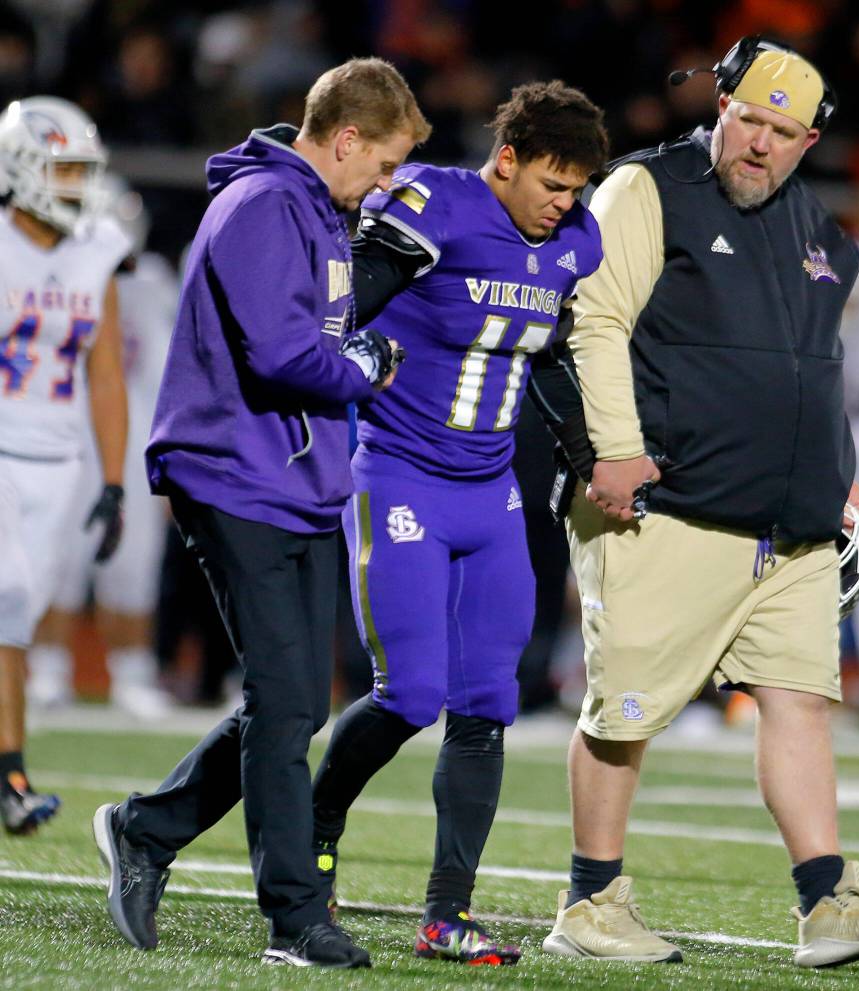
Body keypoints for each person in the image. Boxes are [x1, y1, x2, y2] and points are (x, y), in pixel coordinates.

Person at [539, 38, 859, 968]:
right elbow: (594, 321)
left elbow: (811, 374)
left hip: (789, 527)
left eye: (785, 131)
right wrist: (616, 449)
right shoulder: (645, 188)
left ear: (809, 141)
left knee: (798, 702)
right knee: (624, 711)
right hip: (667, 506)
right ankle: (590, 902)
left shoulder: (817, 231)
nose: (761, 144)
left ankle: (830, 902)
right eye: (749, 119)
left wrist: (830, 482)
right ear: (719, 104)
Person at [91, 57, 428, 969]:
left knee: (293, 707)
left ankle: (145, 829)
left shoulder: (314, 209)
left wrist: (374, 296)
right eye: (387, 162)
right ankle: (296, 919)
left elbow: (311, 326)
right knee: (283, 707)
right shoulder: (263, 206)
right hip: (232, 473)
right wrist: (371, 365)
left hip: (296, 477)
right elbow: (286, 353)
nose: (388, 183)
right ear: (347, 138)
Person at [308, 80, 608, 965]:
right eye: (553, 184)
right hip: (400, 476)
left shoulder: (572, 244)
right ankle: (313, 832)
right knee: (409, 692)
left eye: (578, 190)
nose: (565, 206)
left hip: (492, 494)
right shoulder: (434, 203)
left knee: (487, 703)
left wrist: (592, 454)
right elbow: (339, 309)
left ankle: (448, 910)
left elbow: (546, 358)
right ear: (506, 160)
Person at [0, 95, 130, 834]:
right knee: (8, 592)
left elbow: (105, 373)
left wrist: (113, 481)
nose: (78, 184)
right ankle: (13, 772)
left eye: (84, 169)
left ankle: (10, 774)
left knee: (14, 618)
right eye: (65, 169)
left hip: (58, 455)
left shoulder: (96, 246)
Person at [28, 176, 177, 719]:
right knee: (57, 553)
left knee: (134, 557)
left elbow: (166, 372)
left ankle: (132, 670)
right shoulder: (51, 275)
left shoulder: (153, 280)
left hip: (131, 429)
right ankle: (48, 665)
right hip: (64, 425)